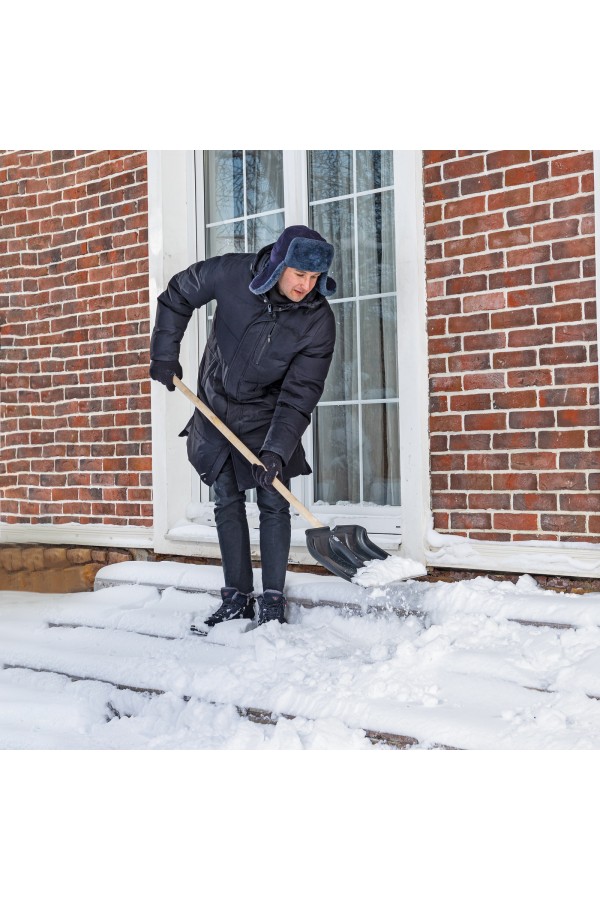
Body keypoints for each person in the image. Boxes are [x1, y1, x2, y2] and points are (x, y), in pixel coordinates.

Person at [149, 225, 336, 628]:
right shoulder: (233, 274)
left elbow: (300, 392)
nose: (307, 286)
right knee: (226, 499)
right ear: (279, 264)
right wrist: (165, 353)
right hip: (214, 405)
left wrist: (276, 450)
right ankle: (235, 596)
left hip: (268, 414)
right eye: (299, 275)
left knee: (273, 499)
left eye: (315, 278)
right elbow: (179, 293)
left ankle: (272, 599)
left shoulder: (318, 321)